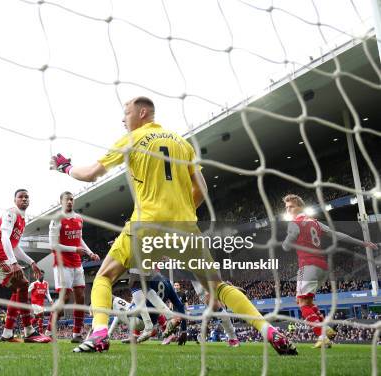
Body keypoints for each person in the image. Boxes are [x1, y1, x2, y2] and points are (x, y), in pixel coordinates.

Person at [51, 96, 296, 355]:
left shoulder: (132, 139)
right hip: (184, 227)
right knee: (219, 287)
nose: (123, 119)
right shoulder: (182, 143)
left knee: (104, 276)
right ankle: (270, 331)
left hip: (145, 225)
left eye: (126, 113)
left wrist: (65, 167)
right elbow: (200, 187)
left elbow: (90, 173)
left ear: (143, 112)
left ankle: (100, 334)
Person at [282, 194, 378, 348]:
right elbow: (337, 235)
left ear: (300, 206)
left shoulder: (295, 223)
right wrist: (363, 243)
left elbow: (288, 244)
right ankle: (327, 329)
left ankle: (322, 335)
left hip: (307, 266)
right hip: (322, 267)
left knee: (301, 303)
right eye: (286, 207)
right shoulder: (315, 222)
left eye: (291, 206)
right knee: (308, 301)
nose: (288, 209)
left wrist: (285, 244)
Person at [0, 189, 51, 343]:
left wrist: (31, 261)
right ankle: (29, 332)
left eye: (26, 197)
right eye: (21, 197)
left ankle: (7, 334)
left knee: (17, 290)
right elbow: (4, 236)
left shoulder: (22, 220)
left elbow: (15, 246)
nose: (24, 199)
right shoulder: (11, 213)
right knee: (24, 283)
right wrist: (13, 262)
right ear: (15, 200)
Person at [45, 191, 100, 343]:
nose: (69, 202)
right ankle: (49, 331)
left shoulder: (78, 218)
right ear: (61, 201)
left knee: (81, 297)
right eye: (66, 200)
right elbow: (53, 245)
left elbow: (79, 238)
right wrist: (74, 249)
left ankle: (77, 334)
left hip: (76, 262)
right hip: (62, 262)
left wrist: (90, 253)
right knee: (65, 298)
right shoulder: (57, 219)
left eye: (71, 199)